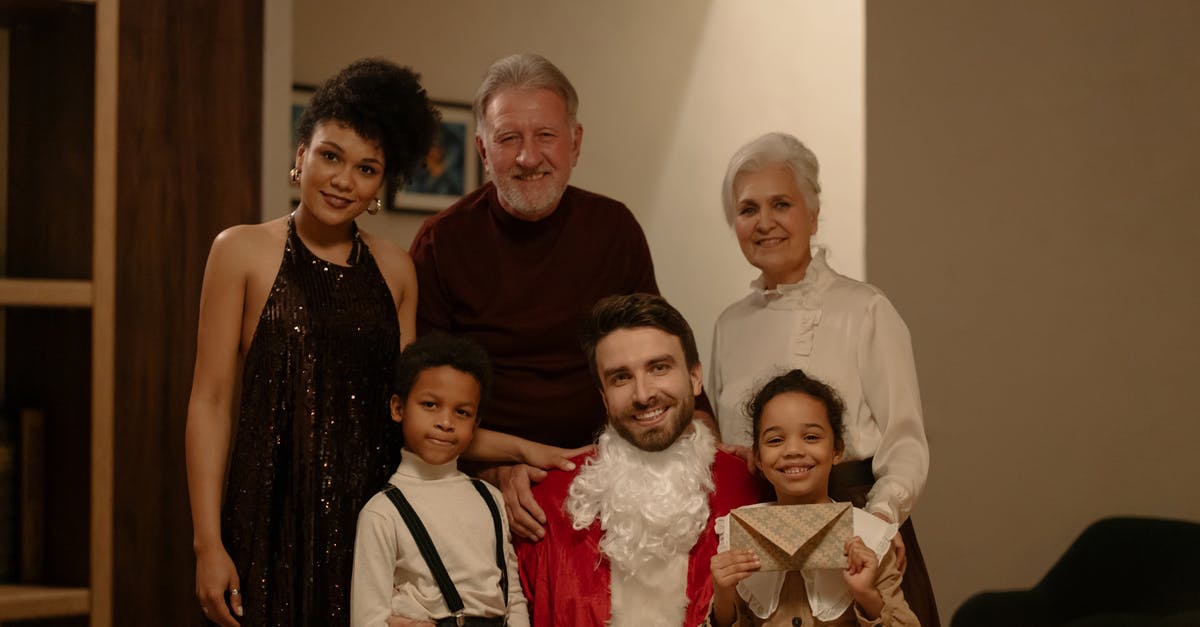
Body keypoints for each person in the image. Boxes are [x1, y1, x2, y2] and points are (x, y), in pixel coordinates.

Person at [409, 53, 716, 540]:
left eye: (546, 136)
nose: (529, 157)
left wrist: (704, 430)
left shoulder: (613, 229)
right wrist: (494, 471)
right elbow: (420, 403)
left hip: (609, 471)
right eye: (509, 138)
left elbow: (659, 346)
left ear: (575, 143)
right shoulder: (442, 244)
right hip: (478, 478)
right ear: (483, 150)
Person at [184, 59, 440, 626]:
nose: (343, 180)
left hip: (370, 532)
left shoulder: (396, 270)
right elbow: (210, 401)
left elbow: (409, 417)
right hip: (264, 524)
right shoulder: (240, 251)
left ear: (382, 184)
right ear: (301, 155)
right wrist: (208, 544)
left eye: (366, 168)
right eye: (330, 155)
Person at [709, 132, 938, 625]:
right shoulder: (729, 324)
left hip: (857, 525)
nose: (764, 222)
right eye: (748, 210)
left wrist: (879, 522)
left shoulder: (867, 309)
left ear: (812, 215)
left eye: (782, 204)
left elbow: (905, 440)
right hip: (763, 534)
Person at [515, 293, 771, 627]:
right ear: (604, 397)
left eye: (659, 367)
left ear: (695, 377)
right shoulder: (544, 504)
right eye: (621, 377)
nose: (643, 394)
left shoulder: (752, 486)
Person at [710, 369, 919, 626]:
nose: (794, 450)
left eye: (811, 437)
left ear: (837, 450)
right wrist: (722, 596)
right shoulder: (738, 537)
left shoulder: (871, 537)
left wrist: (866, 595)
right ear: (759, 457)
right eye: (775, 440)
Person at [350, 333, 529, 627]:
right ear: (398, 408)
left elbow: (512, 596)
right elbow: (367, 619)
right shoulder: (382, 512)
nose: (445, 422)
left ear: (475, 425)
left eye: (462, 412)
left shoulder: (489, 497)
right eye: (430, 405)